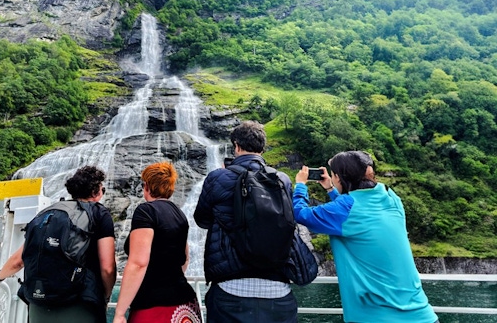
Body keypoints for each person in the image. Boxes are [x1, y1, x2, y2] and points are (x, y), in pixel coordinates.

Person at [293, 151, 438, 323]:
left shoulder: (345, 210)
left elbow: (300, 213)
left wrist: (300, 185)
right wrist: (331, 189)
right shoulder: (392, 198)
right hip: (423, 315)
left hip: (376, 317)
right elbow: (355, 213)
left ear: (339, 177)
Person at [0, 165, 116, 323]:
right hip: (80, 305)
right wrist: (105, 297)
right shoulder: (99, 213)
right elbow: (108, 268)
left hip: (39, 305)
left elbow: (19, 259)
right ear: (96, 192)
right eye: (102, 190)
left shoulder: (48, 213)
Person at [194, 120, 298, 323]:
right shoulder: (282, 180)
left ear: (236, 146)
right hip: (278, 289)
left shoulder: (217, 177)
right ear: (262, 148)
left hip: (230, 288)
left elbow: (202, 219)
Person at [113, 162, 202, 323]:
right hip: (186, 306)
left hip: (154, 306)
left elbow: (138, 263)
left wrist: (119, 312)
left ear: (147, 186)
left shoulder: (146, 211)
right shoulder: (179, 214)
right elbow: (185, 258)